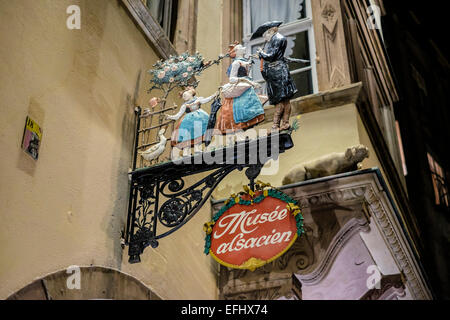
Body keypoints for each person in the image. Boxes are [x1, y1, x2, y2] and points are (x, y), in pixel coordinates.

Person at [252, 21, 298, 131]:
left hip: (278, 72)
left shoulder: (277, 39)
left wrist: (261, 53)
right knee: (285, 100)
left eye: (265, 35)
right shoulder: (277, 39)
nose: (265, 38)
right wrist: (261, 56)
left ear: (271, 31)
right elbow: (275, 56)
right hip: (279, 70)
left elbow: (272, 56)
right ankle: (285, 123)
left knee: (280, 100)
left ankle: (275, 125)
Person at [215, 43, 265, 141]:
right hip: (240, 89)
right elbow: (232, 79)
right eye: (241, 48)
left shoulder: (244, 61)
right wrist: (248, 81)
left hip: (247, 88)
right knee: (239, 110)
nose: (244, 48)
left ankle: (247, 133)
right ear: (237, 51)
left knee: (249, 110)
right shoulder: (236, 63)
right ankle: (239, 134)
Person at [166, 87, 218, 157]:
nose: (184, 96)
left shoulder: (198, 100)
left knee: (199, 134)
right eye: (183, 96)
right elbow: (178, 115)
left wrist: (214, 95)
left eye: (186, 94)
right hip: (188, 122)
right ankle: (185, 152)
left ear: (191, 94)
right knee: (187, 136)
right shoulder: (184, 105)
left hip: (200, 119)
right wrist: (170, 117)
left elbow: (206, 100)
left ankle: (197, 149)